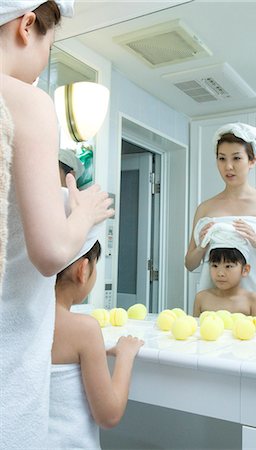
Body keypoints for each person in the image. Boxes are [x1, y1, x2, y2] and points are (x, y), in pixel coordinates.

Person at [0, 2, 114, 448]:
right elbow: (49, 254)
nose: (43, 64)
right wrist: (84, 213)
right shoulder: (26, 101)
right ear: (27, 26)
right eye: (51, 45)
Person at [50, 235, 144, 449]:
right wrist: (126, 355)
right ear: (83, 270)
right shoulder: (84, 329)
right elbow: (109, 416)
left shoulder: (23, 320)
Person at [185, 123, 256, 324]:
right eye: (221, 158)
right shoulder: (205, 208)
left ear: (252, 160)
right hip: (213, 308)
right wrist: (202, 247)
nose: (228, 166)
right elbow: (190, 264)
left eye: (236, 158)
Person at [193, 247, 256, 320]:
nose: (220, 273)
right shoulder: (201, 298)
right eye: (215, 266)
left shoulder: (252, 300)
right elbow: (195, 329)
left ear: (245, 270)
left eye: (228, 266)